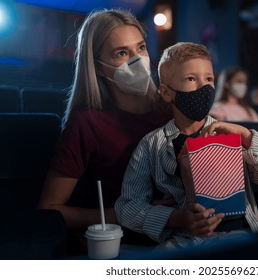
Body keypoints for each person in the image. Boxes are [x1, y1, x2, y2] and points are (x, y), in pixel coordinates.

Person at [115, 42, 258, 248]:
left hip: (248, 235)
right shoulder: (151, 145)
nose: (204, 87)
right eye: (191, 78)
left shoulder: (235, 135)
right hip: (189, 243)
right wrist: (176, 217)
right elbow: (127, 207)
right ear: (166, 92)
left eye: (209, 79)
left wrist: (247, 137)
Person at [37, 9, 171, 251]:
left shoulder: (171, 109)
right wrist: (126, 215)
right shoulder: (86, 122)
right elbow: (50, 208)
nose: (137, 60)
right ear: (98, 66)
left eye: (140, 48)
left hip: (182, 233)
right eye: (122, 53)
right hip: (129, 243)